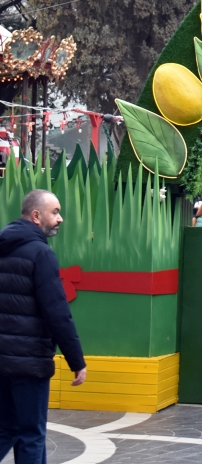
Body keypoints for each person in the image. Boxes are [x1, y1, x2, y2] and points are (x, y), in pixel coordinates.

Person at [0, 190, 86, 463]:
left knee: (7, 428)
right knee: (32, 433)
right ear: (36, 216)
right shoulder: (41, 254)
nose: (60, 218)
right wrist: (76, 361)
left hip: (2, 360)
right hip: (30, 362)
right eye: (55, 212)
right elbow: (57, 312)